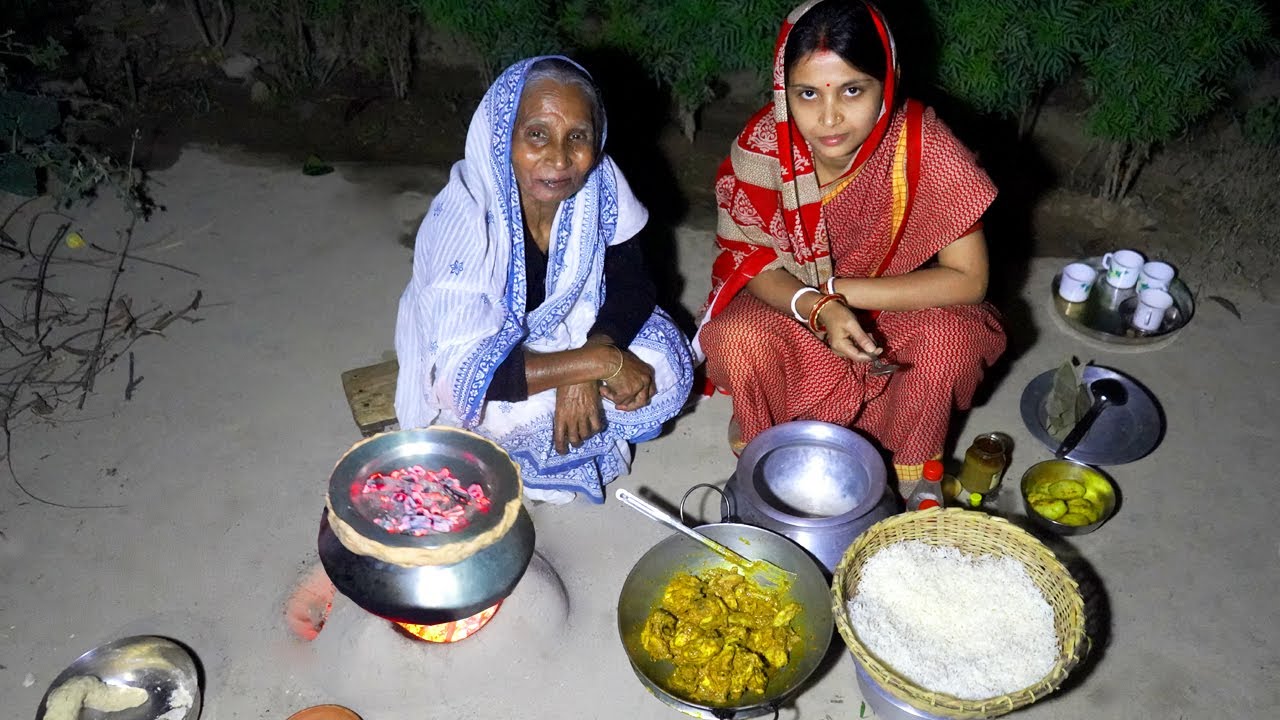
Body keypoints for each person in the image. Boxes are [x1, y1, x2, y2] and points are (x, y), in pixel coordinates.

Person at [694, 0, 1005, 491]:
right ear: (783, 90)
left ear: (887, 82)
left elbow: (970, 280)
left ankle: (908, 467)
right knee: (738, 340)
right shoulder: (763, 149)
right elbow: (751, 262)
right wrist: (817, 307)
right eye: (807, 94)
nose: (829, 117)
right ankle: (769, 438)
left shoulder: (923, 144)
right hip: (795, 307)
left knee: (952, 341)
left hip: (895, 307)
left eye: (852, 90)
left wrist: (840, 293)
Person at [394, 56, 694, 504]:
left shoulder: (600, 183)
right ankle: (541, 454)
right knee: (492, 411)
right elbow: (461, 377)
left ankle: (582, 411)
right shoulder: (464, 215)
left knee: (667, 359)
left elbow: (633, 285)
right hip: (488, 358)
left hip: (577, 335)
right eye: (537, 134)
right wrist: (595, 364)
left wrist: (593, 353)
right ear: (503, 136)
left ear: (597, 138)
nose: (559, 157)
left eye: (578, 136)